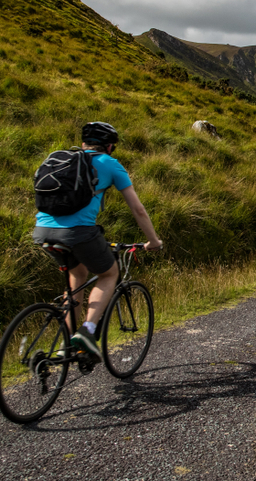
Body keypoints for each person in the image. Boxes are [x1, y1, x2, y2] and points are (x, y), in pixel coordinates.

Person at [32, 122, 163, 360]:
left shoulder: (64, 160)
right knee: (109, 274)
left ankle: (67, 345)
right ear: (110, 146)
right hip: (78, 232)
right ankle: (87, 331)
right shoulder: (110, 164)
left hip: (42, 231)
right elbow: (138, 209)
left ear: (84, 143)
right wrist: (152, 240)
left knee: (77, 278)